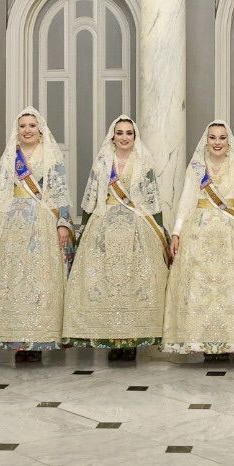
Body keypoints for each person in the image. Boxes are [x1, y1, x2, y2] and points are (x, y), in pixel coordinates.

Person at [0, 108, 73, 362]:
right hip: (9, 220)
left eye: (32, 125)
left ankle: (35, 340)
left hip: (41, 221)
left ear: (40, 128)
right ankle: (14, 338)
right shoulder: (10, 155)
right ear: (17, 129)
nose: (27, 130)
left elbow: (60, 191)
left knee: (36, 279)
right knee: (11, 279)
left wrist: (63, 222)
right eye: (23, 126)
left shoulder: (51, 156)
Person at [63, 116, 167, 360]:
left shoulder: (144, 164)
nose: (124, 137)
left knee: (133, 284)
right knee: (106, 284)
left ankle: (130, 341)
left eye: (129, 133)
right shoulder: (102, 164)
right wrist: (83, 231)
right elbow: (90, 199)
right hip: (104, 226)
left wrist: (161, 232)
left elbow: (154, 201)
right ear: (113, 136)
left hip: (137, 229)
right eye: (119, 133)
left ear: (134, 136)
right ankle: (110, 339)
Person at [163, 120, 234, 359]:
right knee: (200, 289)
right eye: (212, 137)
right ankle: (203, 342)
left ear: (228, 141)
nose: (217, 142)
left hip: (232, 234)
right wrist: (177, 232)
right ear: (206, 140)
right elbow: (186, 201)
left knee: (232, 288)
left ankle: (230, 341)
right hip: (199, 232)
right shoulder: (197, 168)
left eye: (222, 138)